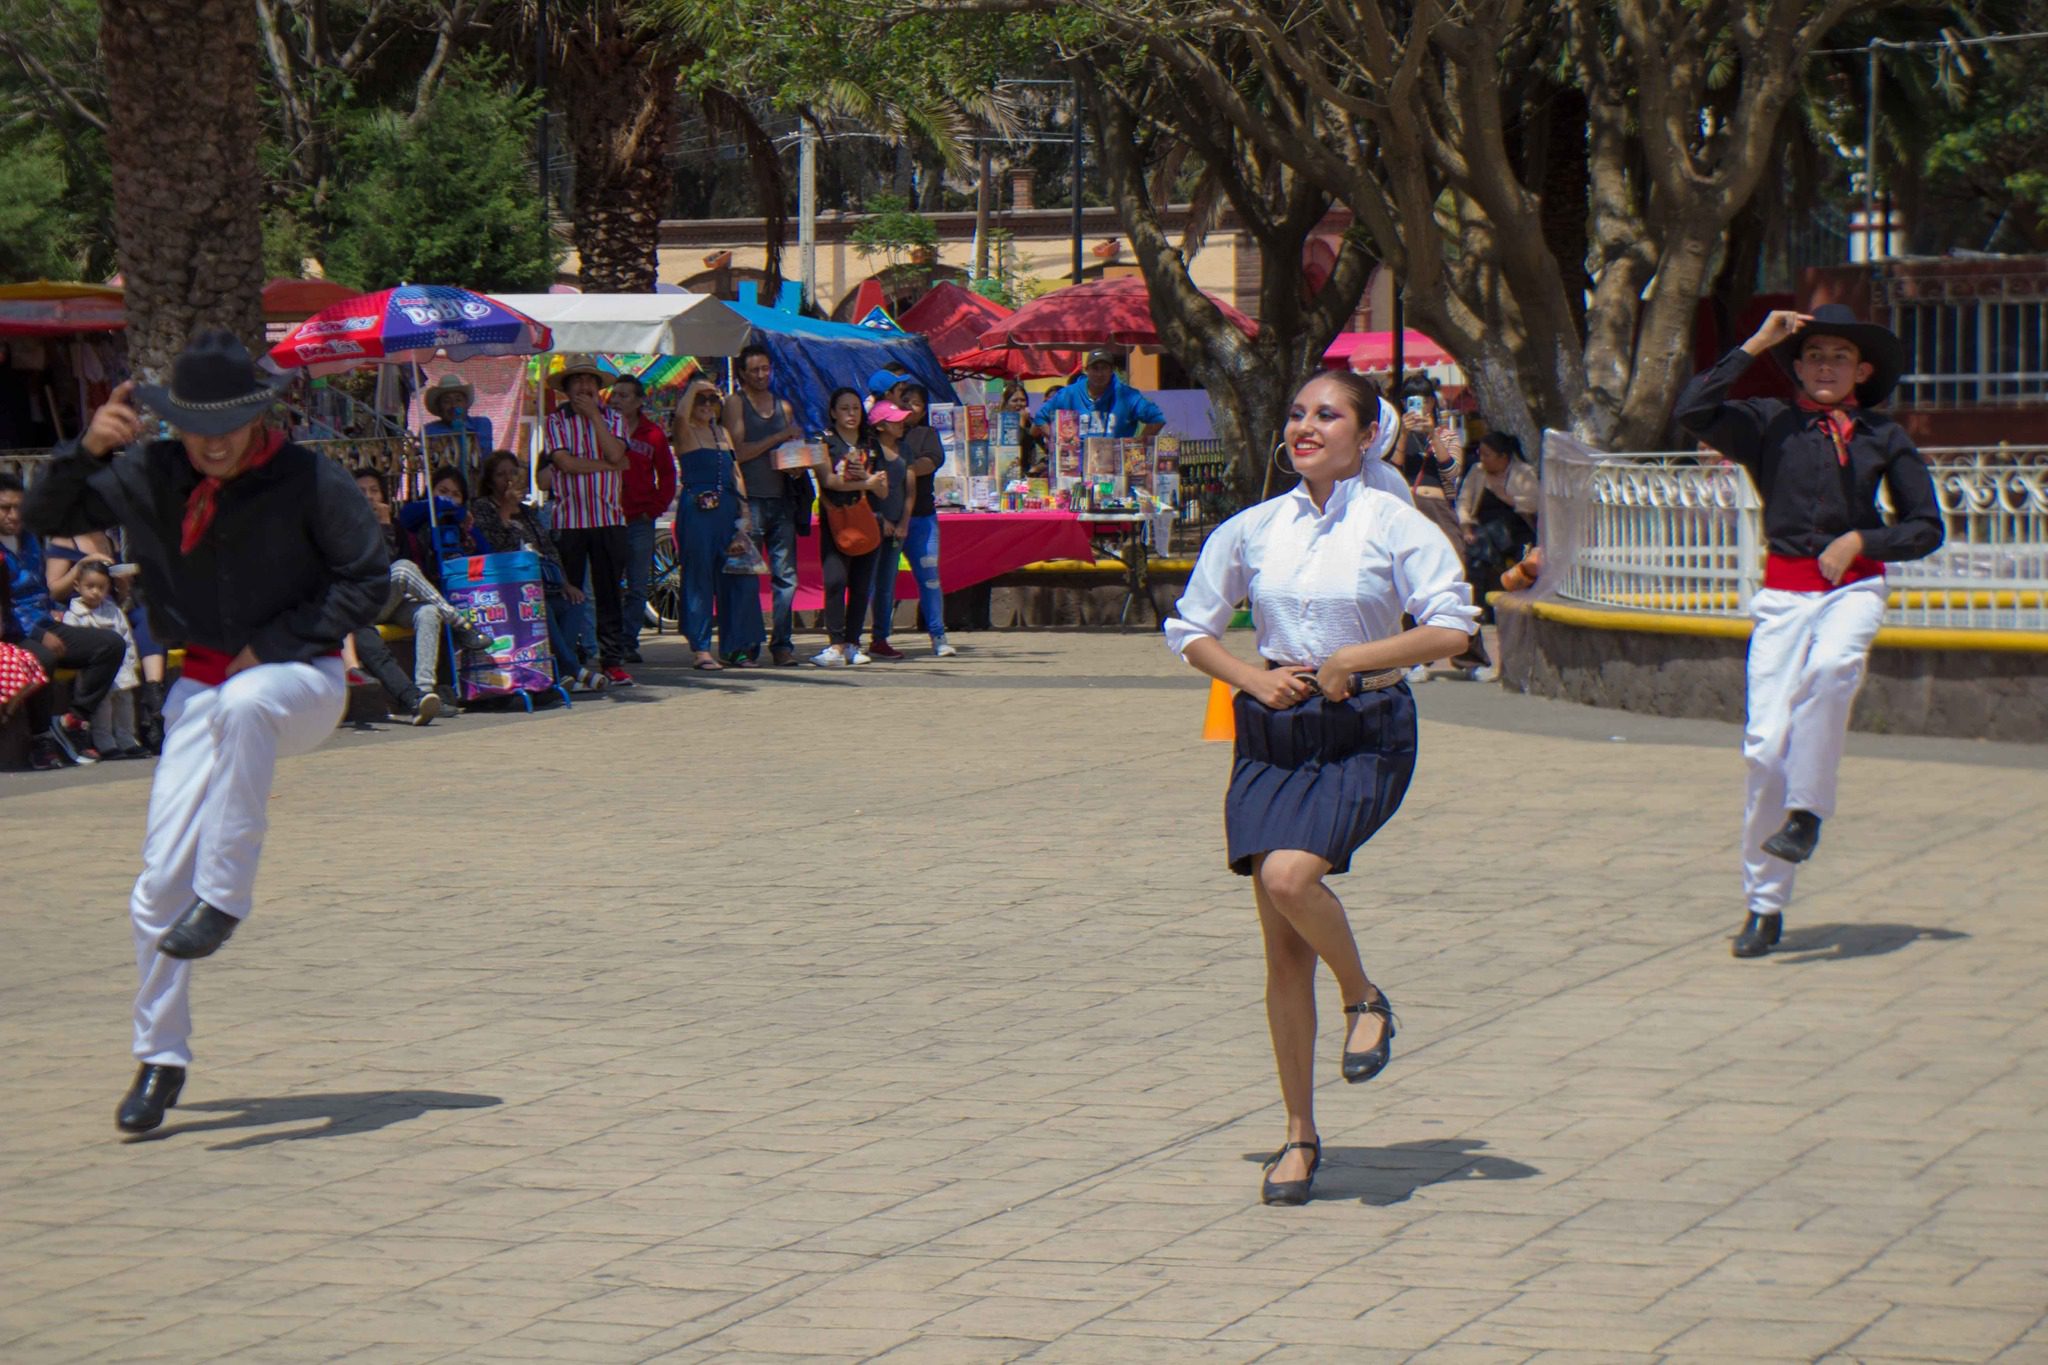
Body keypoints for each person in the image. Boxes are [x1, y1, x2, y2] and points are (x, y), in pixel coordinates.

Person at [24, 330, 387, 1134]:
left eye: (231, 421)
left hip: (302, 679)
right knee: (156, 884)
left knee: (250, 701)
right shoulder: (151, 474)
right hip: (200, 688)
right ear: (173, 423)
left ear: (258, 415)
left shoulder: (308, 477)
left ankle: (224, 896)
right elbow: (44, 516)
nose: (215, 440)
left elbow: (369, 577)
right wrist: (83, 448)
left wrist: (277, 643)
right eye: (197, 423)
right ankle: (160, 1055)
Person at [1166, 369, 1480, 1206]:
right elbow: (1190, 626)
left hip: (1365, 731)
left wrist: (1354, 660)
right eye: (1298, 411)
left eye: (1328, 414)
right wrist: (1249, 678)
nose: (1307, 425)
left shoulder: (1394, 522)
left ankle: (1364, 995)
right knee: (1279, 950)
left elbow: (1454, 622)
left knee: (1289, 875)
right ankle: (1300, 1134)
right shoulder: (1254, 527)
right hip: (1275, 729)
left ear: (1366, 433)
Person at [1676, 305, 1943, 959]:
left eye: (1840, 356)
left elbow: (1926, 525)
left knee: (1831, 673)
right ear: (1797, 364)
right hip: (1785, 596)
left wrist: (1861, 537)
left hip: (1854, 587)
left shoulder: (1884, 435)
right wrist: (1756, 343)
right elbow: (1693, 410)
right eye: (1815, 354)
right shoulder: (1768, 423)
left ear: (1863, 369)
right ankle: (1765, 904)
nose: (1826, 366)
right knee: (1765, 750)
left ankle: (1807, 814)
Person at [0, 470, 127, 764]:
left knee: (110, 644)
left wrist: (48, 617)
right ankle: (41, 738)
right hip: (15, 630)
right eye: (5, 507)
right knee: (43, 657)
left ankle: (73, 720)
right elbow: (8, 605)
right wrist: (38, 633)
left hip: (44, 619)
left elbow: (41, 588)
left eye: (19, 506)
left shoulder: (29, 538)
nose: (13, 515)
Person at [357, 465, 492, 708]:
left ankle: (424, 694)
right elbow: (384, 568)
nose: (368, 496)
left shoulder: (396, 526)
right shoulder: (347, 529)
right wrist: (384, 527)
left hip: (392, 600)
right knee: (402, 568)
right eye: (362, 491)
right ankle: (461, 624)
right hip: (366, 605)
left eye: (374, 490)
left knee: (428, 612)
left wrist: (388, 525)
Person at [470, 448, 602, 693]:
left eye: (513, 473)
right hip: (510, 587)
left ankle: (562, 671)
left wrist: (565, 582)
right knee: (542, 607)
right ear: (490, 480)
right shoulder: (483, 509)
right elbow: (498, 549)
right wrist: (506, 510)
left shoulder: (528, 513)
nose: (508, 479)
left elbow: (548, 549)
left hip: (544, 581)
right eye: (501, 475)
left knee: (575, 603)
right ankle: (572, 669)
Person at [544, 356, 635, 687]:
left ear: (598, 387)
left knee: (610, 592)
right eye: (577, 380)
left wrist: (595, 418)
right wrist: (611, 467)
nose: (584, 387)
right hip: (569, 521)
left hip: (609, 518)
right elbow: (566, 464)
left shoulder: (613, 418)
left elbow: (615, 451)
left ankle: (612, 660)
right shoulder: (555, 421)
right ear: (567, 389)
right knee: (569, 593)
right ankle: (571, 660)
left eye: (589, 380)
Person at [670, 378, 761, 670]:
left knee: (736, 575)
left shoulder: (721, 432)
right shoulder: (686, 431)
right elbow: (681, 415)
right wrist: (696, 386)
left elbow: (736, 473)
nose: (707, 405)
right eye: (701, 399)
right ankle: (700, 647)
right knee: (699, 577)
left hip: (727, 509)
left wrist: (745, 513)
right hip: (698, 509)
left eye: (713, 399)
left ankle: (735, 646)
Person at [724, 343, 805, 666]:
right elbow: (738, 452)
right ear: (742, 373)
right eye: (755, 370)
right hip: (749, 501)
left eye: (766, 369)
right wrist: (779, 436)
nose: (762, 375)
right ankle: (745, 644)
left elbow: (790, 452)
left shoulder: (783, 406)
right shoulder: (735, 404)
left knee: (787, 577)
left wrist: (798, 463)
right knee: (745, 575)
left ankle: (782, 643)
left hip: (781, 500)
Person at [813, 388, 890, 667]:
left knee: (861, 585)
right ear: (833, 412)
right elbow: (828, 481)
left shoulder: (871, 442)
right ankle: (834, 642)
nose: (851, 414)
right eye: (844, 409)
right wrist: (865, 484)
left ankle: (853, 643)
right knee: (835, 580)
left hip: (866, 517)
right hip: (835, 518)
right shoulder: (823, 440)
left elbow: (883, 489)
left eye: (856, 408)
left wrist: (868, 479)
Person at [881, 382, 956, 658]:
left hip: (922, 518)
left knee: (929, 579)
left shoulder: (928, 434)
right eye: (903, 401)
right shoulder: (884, 436)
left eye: (914, 403)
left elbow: (930, 463)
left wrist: (899, 467)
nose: (908, 408)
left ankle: (938, 635)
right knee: (884, 581)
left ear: (924, 408)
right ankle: (881, 636)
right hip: (890, 519)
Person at [612, 373, 677, 664]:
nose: (617, 400)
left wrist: (656, 506)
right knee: (609, 582)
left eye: (624, 395)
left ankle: (628, 641)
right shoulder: (604, 429)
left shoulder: (653, 435)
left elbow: (667, 475)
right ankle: (609, 640)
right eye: (614, 395)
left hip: (640, 518)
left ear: (639, 401)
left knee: (638, 584)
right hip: (609, 517)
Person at [60, 561, 145, 756]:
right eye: (90, 587)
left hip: (121, 668)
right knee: (102, 707)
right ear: (77, 586)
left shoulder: (113, 611)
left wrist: (132, 662)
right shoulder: (73, 615)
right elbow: (75, 644)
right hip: (96, 670)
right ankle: (105, 743)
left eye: (101, 587)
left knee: (125, 704)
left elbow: (126, 637)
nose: (96, 592)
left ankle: (127, 739)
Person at [1456, 431, 1539, 614]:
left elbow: (1533, 503)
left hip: (1516, 528)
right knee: (1479, 547)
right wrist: (1466, 527)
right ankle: (1481, 605)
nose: (1483, 459)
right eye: (1481, 454)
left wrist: (1505, 495)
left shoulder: (1524, 472)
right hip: (1484, 530)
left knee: (1490, 543)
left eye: (1487, 455)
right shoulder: (1477, 471)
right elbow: (1464, 502)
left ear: (1503, 457)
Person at [860, 398, 912, 660]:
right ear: (880, 426)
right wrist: (881, 519)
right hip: (872, 525)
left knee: (886, 585)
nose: (901, 425)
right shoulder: (870, 452)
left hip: (895, 530)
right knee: (865, 583)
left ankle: (880, 638)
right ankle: (852, 637)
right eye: (895, 421)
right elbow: (864, 492)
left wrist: (903, 522)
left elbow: (908, 490)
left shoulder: (904, 451)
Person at [1034, 348, 1166, 440]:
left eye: (1104, 368)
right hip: (1076, 468)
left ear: (1111, 370)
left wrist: (1136, 446)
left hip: (1114, 469)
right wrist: (1057, 442)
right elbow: (1040, 417)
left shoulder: (1127, 395)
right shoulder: (1069, 394)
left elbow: (1157, 419)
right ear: (1087, 370)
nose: (1099, 373)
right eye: (1095, 368)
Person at [420, 374, 493, 463]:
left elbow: (484, 452)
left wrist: (461, 427)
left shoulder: (481, 424)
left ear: (466, 404)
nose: (454, 406)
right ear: (439, 407)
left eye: (458, 400)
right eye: (447, 401)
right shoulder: (429, 430)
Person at [1001, 382, 1049, 478]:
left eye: (1022, 400)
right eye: (1015, 401)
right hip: (1008, 471)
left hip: (1027, 472)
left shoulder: (1031, 422)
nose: (1019, 404)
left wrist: (1041, 465)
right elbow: (1015, 446)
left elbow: (1046, 448)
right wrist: (1021, 422)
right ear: (1007, 403)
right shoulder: (1002, 423)